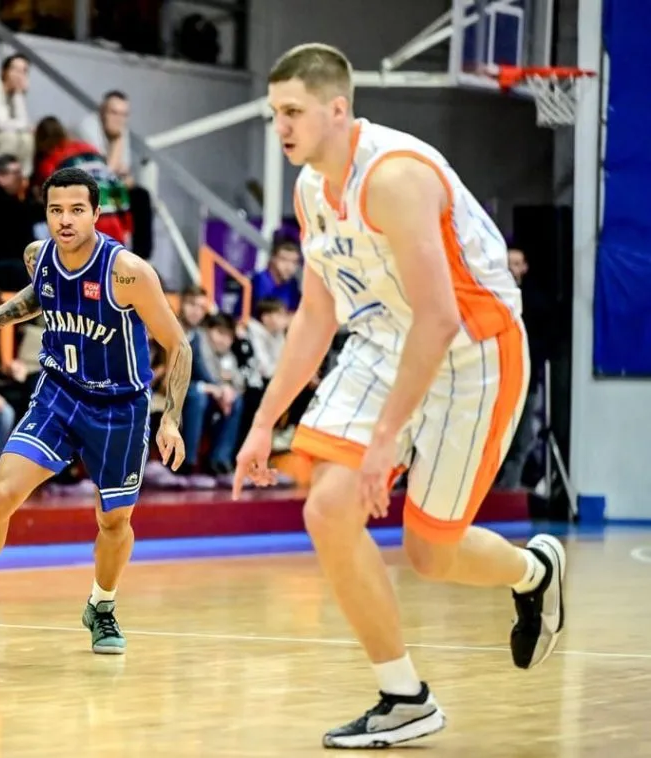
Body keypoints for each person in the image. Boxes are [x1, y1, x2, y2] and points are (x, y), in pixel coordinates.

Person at [232, 43, 566, 749]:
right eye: (275, 114)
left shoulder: (394, 177)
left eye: (293, 112)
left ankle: (533, 571)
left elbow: (440, 318)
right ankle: (404, 696)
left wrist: (385, 439)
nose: (281, 126)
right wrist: (264, 421)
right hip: (386, 339)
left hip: (471, 348)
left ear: (337, 110)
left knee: (430, 553)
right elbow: (317, 314)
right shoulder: (310, 190)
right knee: (327, 508)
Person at [0, 167, 193, 654]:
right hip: (59, 393)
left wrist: (170, 417)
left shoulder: (127, 272)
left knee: (113, 521)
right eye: (56, 210)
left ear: (96, 213)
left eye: (77, 210)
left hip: (119, 408)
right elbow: (42, 295)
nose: (65, 220)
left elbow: (179, 345)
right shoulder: (37, 256)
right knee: (2, 494)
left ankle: (101, 607)